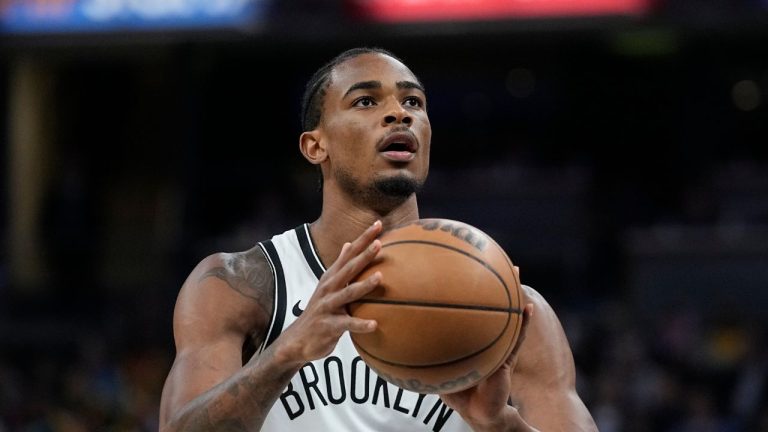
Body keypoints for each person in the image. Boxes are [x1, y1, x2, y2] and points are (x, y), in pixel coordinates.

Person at [159, 47, 598, 432]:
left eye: (413, 102)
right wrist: (284, 354)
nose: (399, 114)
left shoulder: (511, 311)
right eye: (366, 101)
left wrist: (500, 426)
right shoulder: (241, 285)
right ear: (315, 146)